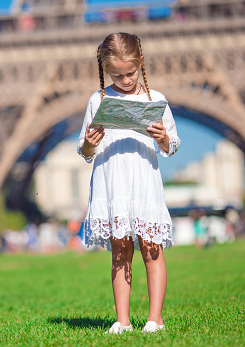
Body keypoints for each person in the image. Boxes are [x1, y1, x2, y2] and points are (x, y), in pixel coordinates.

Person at [77, 33, 180, 334]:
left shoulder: (156, 99)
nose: (124, 80)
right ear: (106, 70)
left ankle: (154, 319)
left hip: (144, 181)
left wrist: (162, 138)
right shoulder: (98, 100)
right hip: (114, 183)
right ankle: (122, 320)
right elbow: (84, 151)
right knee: (120, 253)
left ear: (141, 63)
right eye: (116, 74)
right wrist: (88, 144)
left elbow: (172, 144)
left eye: (130, 73)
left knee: (152, 249)